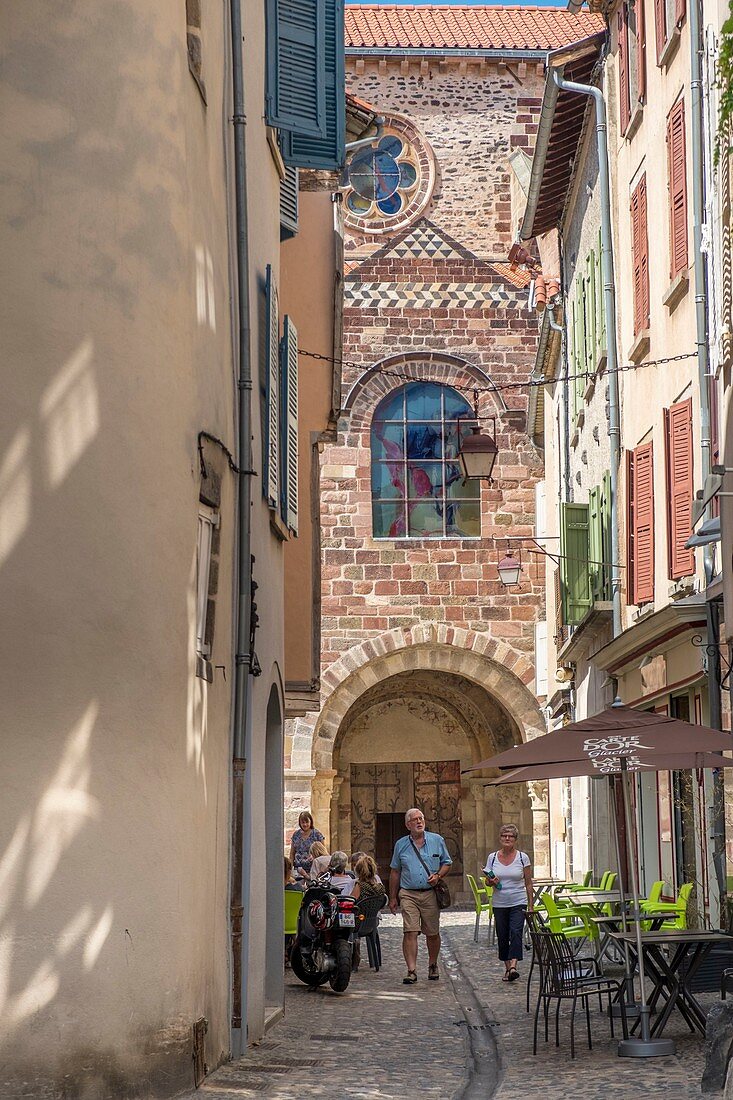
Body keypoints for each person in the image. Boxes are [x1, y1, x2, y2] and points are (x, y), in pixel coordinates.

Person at [389, 807, 452, 985]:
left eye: (421, 818)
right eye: (415, 819)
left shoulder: (437, 840)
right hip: (408, 893)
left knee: (432, 933)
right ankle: (412, 970)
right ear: (408, 824)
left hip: (430, 894)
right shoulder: (401, 845)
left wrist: (438, 875)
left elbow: (447, 863)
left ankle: (433, 964)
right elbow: (395, 871)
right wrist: (393, 897)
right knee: (410, 931)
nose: (419, 822)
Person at [483, 824, 533, 982]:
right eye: (504, 835)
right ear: (500, 838)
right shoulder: (492, 858)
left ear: (515, 839)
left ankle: (513, 966)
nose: (507, 838)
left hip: (518, 901)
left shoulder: (522, 858)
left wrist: (531, 905)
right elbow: (487, 882)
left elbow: (528, 883)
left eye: (510, 836)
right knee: (502, 936)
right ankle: (507, 968)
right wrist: (491, 881)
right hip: (500, 903)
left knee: (516, 932)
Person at [289, 811, 324, 882]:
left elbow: (323, 852)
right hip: (298, 870)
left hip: (312, 869)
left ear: (311, 822)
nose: (305, 824)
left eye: (307, 822)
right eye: (303, 822)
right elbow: (292, 853)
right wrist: (290, 869)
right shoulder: (296, 835)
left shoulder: (317, 834)